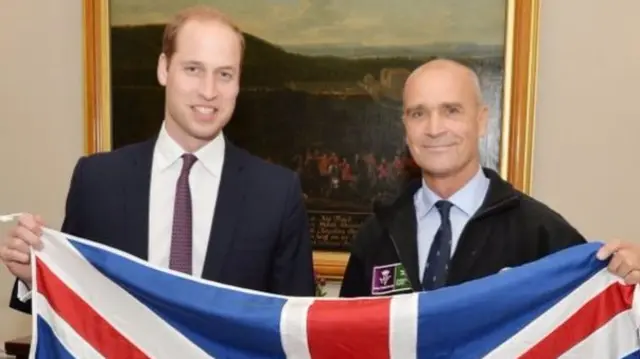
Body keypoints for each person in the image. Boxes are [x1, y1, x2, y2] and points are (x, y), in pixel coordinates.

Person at [0, 5, 316, 314]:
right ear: (164, 69)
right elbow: (77, 307)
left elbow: (293, 331)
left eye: (224, 74)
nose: (209, 91)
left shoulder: (276, 195)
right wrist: (35, 274)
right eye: (193, 69)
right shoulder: (98, 181)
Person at [339, 58, 640, 297]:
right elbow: (347, 341)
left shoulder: (540, 234)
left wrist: (630, 282)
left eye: (451, 111)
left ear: (481, 121)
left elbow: (591, 329)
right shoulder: (377, 235)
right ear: (405, 126)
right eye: (418, 113)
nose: (434, 128)